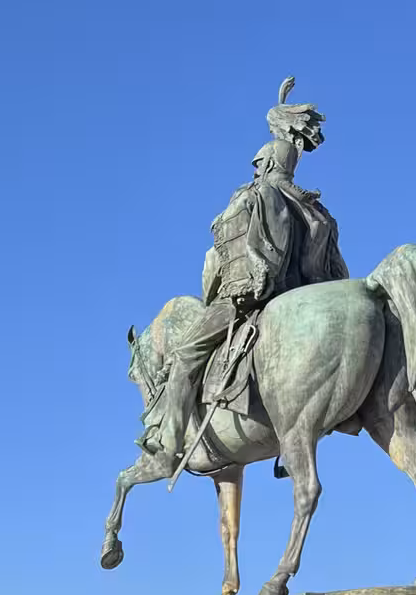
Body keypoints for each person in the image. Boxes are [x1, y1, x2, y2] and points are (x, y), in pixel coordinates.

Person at [147, 84, 349, 470]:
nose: (254, 171)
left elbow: (223, 257)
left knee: (186, 353)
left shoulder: (253, 197)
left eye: (257, 165)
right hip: (300, 295)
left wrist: (219, 292)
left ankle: (169, 443)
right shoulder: (318, 213)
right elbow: (336, 273)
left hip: (249, 296)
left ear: (268, 165)